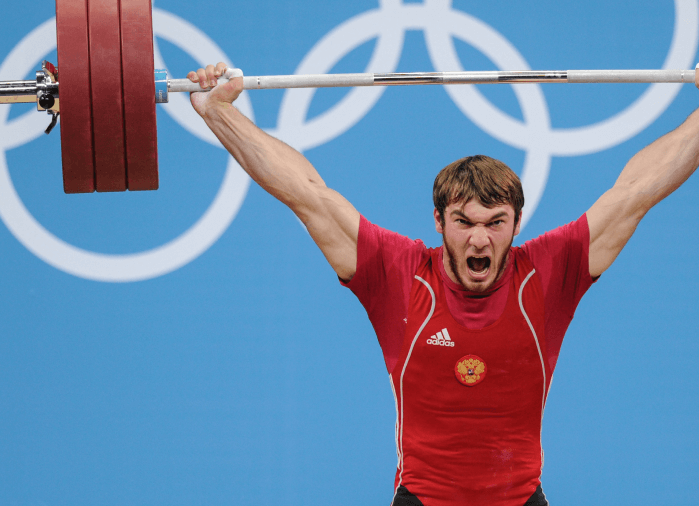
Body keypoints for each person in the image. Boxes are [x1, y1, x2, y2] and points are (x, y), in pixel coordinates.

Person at [187, 62, 699, 506]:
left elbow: (635, 192)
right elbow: (306, 193)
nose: (479, 239)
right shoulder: (397, 273)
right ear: (438, 221)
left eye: (495, 223)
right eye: (464, 222)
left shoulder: (548, 273)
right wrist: (218, 112)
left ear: (517, 224)